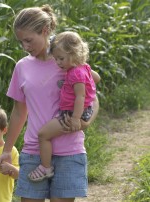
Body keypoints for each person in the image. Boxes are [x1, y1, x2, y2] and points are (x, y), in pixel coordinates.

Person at [0, 4, 100, 202]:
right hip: (34, 151)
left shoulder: (66, 60)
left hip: (69, 151)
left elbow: (92, 96)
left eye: (29, 40)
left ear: (44, 31)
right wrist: (7, 150)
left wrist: (85, 121)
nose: (25, 46)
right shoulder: (22, 67)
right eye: (21, 42)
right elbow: (19, 112)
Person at [28, 31, 101, 182]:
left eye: (61, 58)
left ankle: (45, 168)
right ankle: (46, 166)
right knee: (44, 134)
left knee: (43, 135)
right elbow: (97, 79)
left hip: (72, 113)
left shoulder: (75, 73)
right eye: (56, 59)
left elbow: (80, 96)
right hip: (79, 111)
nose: (58, 63)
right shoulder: (83, 67)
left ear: (73, 54)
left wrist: (75, 118)